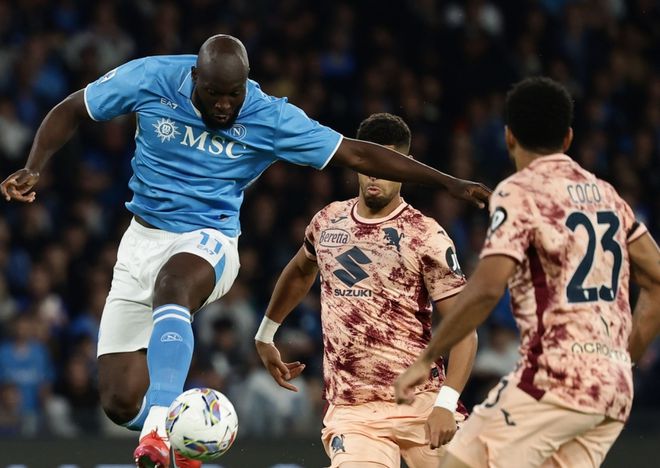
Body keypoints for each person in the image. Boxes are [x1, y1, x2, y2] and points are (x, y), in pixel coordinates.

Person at [0, 35, 489, 468]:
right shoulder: (151, 77)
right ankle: (185, 436)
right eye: (214, 94)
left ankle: (160, 430)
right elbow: (72, 108)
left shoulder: (269, 116)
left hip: (209, 240)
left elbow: (357, 153)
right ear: (195, 77)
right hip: (140, 240)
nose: (224, 105)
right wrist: (34, 166)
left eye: (233, 94)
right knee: (119, 400)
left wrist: (450, 183)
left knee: (173, 284)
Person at [395, 77, 660, 468]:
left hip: (553, 379)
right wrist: (622, 360)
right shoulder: (608, 195)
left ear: (509, 137)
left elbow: (488, 289)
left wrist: (427, 358)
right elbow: (656, 279)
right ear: (568, 138)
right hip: (612, 391)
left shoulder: (519, 191)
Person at [256, 113, 478, 467]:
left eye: (387, 165)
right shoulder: (328, 222)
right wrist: (266, 335)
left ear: (405, 167)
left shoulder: (425, 235)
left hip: (423, 401)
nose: (375, 174)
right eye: (369, 164)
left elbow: (464, 327)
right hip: (353, 411)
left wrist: (446, 404)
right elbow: (299, 271)